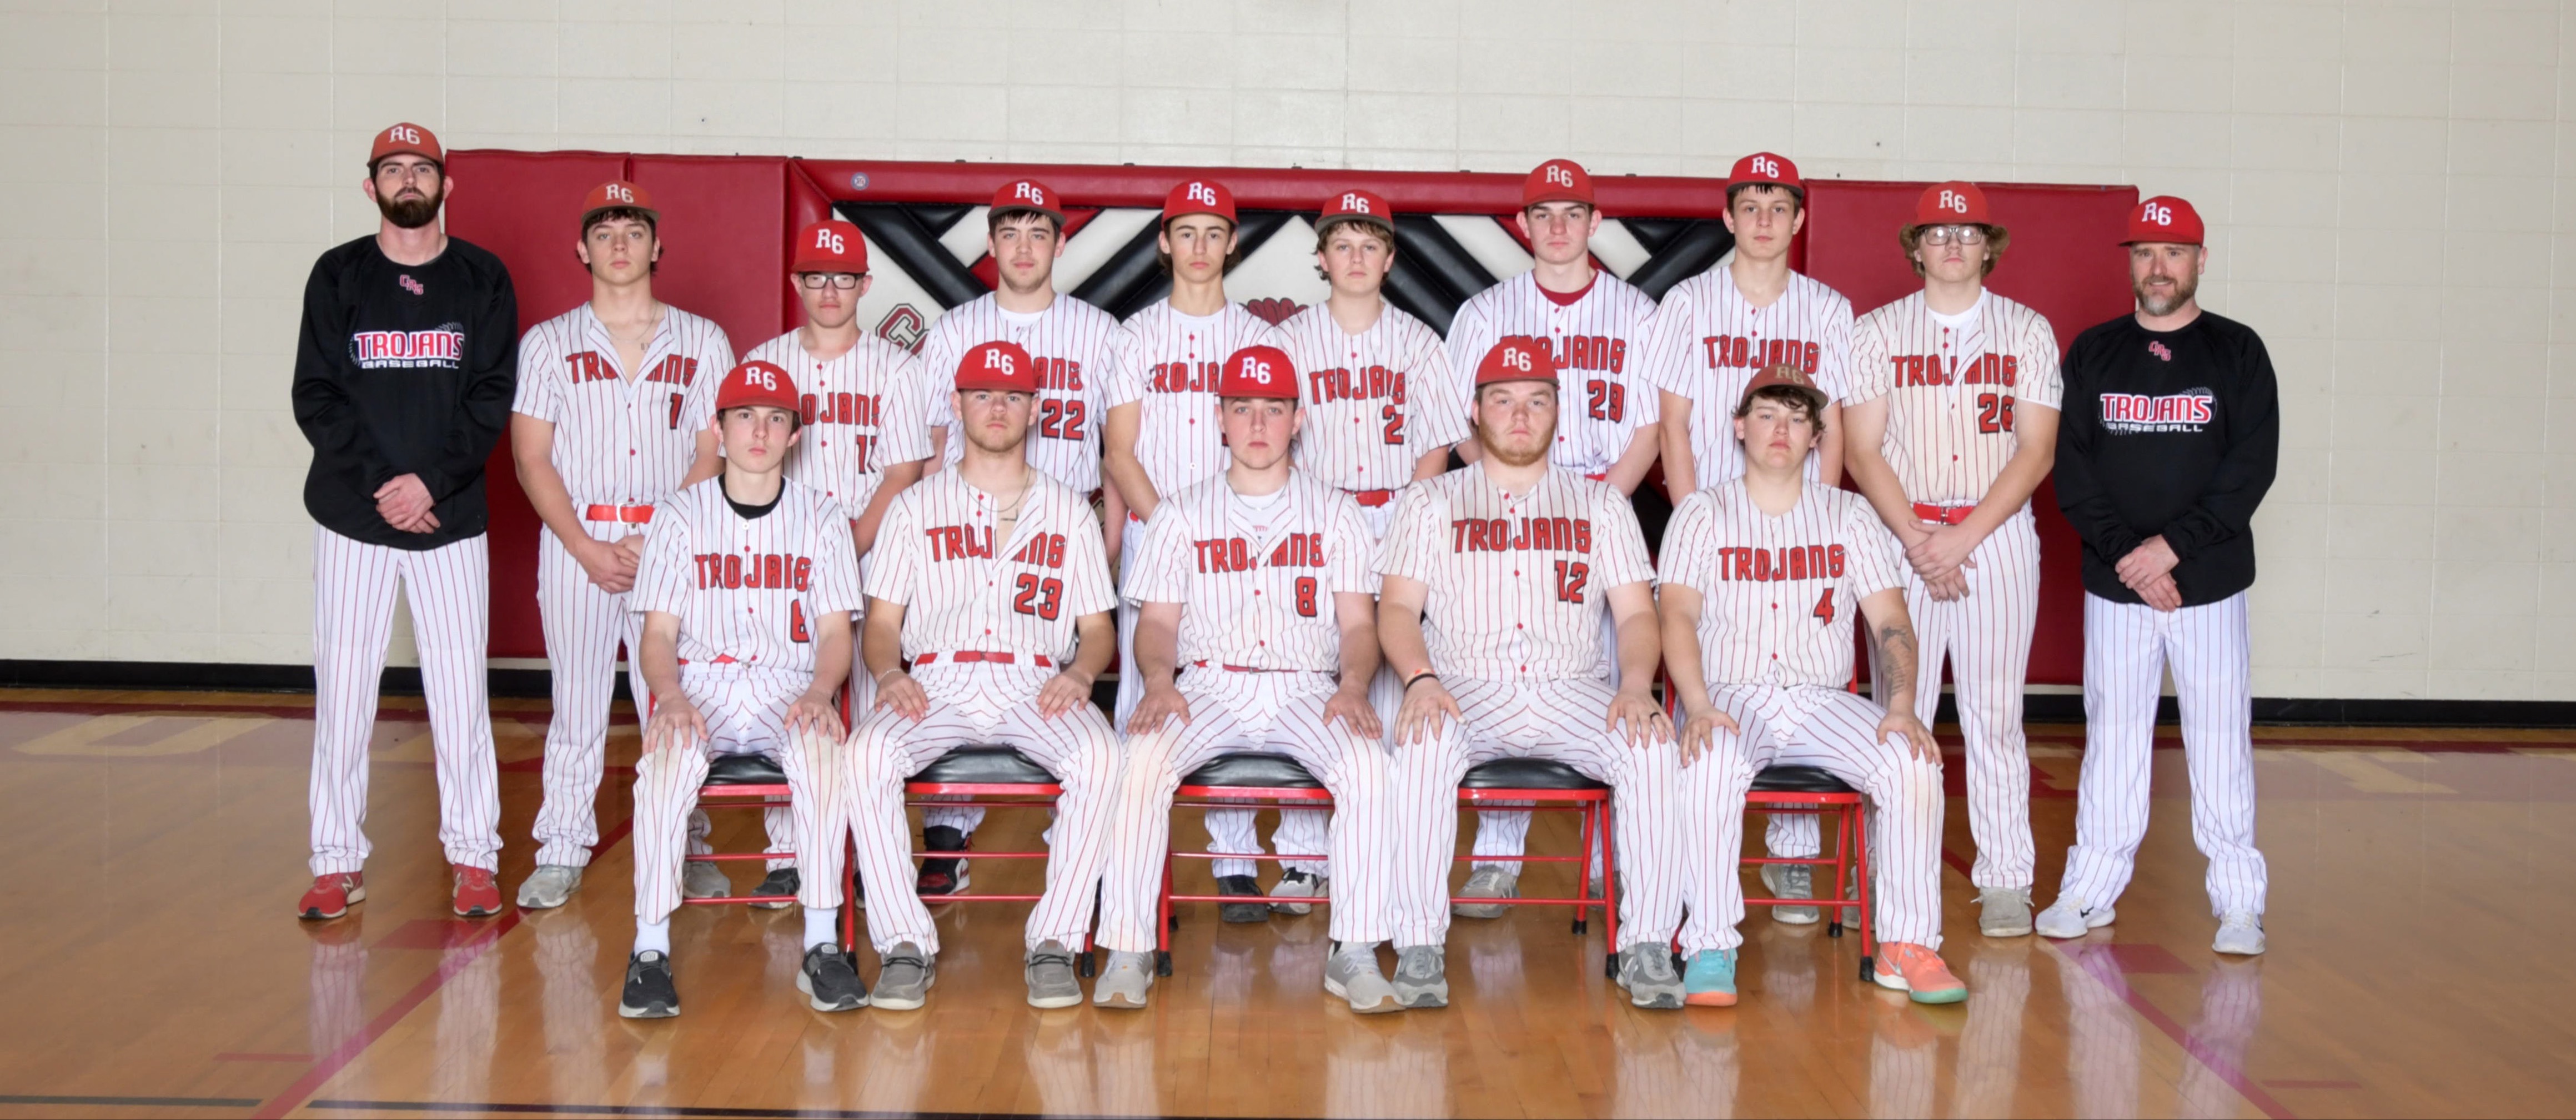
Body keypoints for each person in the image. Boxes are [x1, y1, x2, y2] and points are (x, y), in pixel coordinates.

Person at [1378, 338, 1688, 1010]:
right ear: (1474, 412)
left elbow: (1637, 614)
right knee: (1424, 744)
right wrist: (1420, 678)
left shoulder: (1602, 504)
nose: (1520, 416)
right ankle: (1419, 944)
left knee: (1652, 745)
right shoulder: (1431, 502)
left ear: (1558, 413)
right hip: (1464, 683)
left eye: (1536, 401)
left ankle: (1647, 944)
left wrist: (1636, 683)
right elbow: (1398, 609)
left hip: (1570, 687)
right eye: (1503, 400)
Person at [1092, 344, 1402, 1011]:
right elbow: (1157, 627)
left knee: (1370, 767)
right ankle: (1127, 946)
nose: (1258, 423)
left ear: (1299, 419)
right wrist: (1156, 678)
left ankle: (1353, 950)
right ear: (1220, 419)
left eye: (1274, 408)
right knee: (1139, 758)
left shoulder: (1337, 513)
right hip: (1208, 684)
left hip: (1304, 686)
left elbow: (1357, 626)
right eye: (1243, 409)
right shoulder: (1178, 514)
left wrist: (1352, 685)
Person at [1658, 363, 1962, 1007]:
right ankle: (1711, 940)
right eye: (1767, 414)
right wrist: (1699, 706)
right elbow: (1675, 616)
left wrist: (1902, 706)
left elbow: (1890, 623)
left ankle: (1907, 944)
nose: (1781, 429)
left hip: (1821, 699)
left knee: (1911, 759)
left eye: (1798, 419)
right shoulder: (1700, 513)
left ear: (1817, 437)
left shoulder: (1851, 516)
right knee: (1708, 761)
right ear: (1739, 427)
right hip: (1731, 694)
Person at [845, 340, 1123, 1010]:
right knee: (864, 755)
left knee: (1102, 756)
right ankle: (905, 943)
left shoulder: (1067, 510)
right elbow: (881, 624)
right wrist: (887, 673)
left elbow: (1098, 630)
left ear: (1035, 410)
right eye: (982, 395)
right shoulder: (914, 507)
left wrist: (1084, 673)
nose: (997, 407)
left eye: (1012, 396)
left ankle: (1053, 939)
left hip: (1035, 681)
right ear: (958, 404)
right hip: (935, 679)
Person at [2040, 196, 2276, 956]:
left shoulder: (2237, 351)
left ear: (2199, 261)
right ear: (2129, 262)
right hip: (2117, 585)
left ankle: (2237, 902)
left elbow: (2249, 470)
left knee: (2216, 738)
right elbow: (2069, 468)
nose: (2158, 266)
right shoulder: (2093, 351)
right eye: (2143, 252)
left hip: (2205, 583)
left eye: (2173, 252)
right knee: (2112, 736)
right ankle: (2089, 886)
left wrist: (2168, 549)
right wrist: (2129, 558)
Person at [292, 122, 518, 921]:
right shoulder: (338, 274)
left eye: (421, 167)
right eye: (393, 169)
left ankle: (473, 859)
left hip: (449, 518)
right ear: (371, 187)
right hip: (353, 516)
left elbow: (491, 396)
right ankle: (334, 861)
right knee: (344, 694)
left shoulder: (482, 277)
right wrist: (386, 483)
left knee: (460, 696)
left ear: (446, 184)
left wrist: (429, 481)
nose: (408, 179)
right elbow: (315, 395)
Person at [1427, 158, 1663, 916]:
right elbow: (1458, 426)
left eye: (1572, 214)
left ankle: (1616, 857)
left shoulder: (1636, 313)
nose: (1557, 227)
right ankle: (1497, 860)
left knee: (1604, 683)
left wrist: (1596, 509)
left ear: (1597, 224)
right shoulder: (1485, 312)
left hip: (1604, 502)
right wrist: (1507, 498)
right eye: (1542, 214)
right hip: (1499, 513)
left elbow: (1650, 425)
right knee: (1507, 670)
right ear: (1521, 226)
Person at [510, 179, 741, 911]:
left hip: (669, 540)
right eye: (604, 231)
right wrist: (582, 545)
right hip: (578, 538)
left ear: (656, 246)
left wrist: (663, 535)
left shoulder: (702, 340)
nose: (619, 243)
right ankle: (560, 845)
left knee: (672, 701)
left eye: (633, 230)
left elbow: (714, 449)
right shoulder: (548, 343)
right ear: (582, 247)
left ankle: (686, 840)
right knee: (575, 703)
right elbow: (531, 457)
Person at [1643, 152, 1860, 923]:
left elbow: (1829, 426)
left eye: (1778, 206)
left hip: (1803, 527)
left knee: (1806, 678)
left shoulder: (1829, 311)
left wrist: (1818, 520)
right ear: (1727, 217)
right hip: (1710, 520)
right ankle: (1680, 855)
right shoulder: (1685, 302)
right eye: (1750, 205)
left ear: (1798, 219)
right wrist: (1690, 514)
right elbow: (1673, 423)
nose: (1764, 219)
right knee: (1697, 681)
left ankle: (1792, 860)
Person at [1842, 181, 2064, 938]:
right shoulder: (1875, 330)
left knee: (1993, 715)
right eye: (1935, 233)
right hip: (1901, 532)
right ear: (1913, 246)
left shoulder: (2026, 330)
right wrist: (1916, 541)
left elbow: (2036, 450)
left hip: (1991, 537)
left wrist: (1959, 539)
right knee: (1896, 713)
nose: (1950, 245)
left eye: (1966, 233)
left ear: (1987, 244)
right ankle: (1883, 864)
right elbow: (1862, 449)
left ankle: (2005, 877)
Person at [615, 359, 868, 1019]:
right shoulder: (677, 515)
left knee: (822, 759)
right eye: (744, 416)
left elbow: (837, 633)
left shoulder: (822, 517)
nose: (759, 429)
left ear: (793, 435)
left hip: (789, 680)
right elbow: (657, 635)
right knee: (663, 771)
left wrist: (819, 690)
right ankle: (649, 952)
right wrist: (669, 697)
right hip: (700, 682)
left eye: (775, 417)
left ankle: (820, 944)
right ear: (719, 429)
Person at [1099, 182, 1315, 920]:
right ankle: (1125, 874)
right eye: (1183, 232)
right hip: (1160, 538)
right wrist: (1175, 532)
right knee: (1148, 706)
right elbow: (1120, 453)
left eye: (1211, 233)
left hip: (1249, 551)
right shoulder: (1132, 337)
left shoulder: (1264, 340)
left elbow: (1287, 450)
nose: (1197, 246)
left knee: (1246, 685)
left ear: (1232, 244)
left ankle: (1234, 864)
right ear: (1164, 243)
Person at [913, 180, 1131, 896]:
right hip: (964, 531)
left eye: (1039, 233)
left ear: (1060, 245)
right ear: (991, 244)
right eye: (1011, 233)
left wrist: (1107, 541)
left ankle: (1079, 854)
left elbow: (1117, 449)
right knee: (954, 671)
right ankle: (946, 837)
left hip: (1062, 531)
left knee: (1062, 692)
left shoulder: (1100, 333)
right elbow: (935, 446)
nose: (1025, 247)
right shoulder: (952, 331)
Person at [1266, 188, 1455, 916]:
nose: (1354, 257)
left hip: (1396, 513)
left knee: (1396, 693)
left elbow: (1435, 446)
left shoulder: (1417, 342)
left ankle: (1395, 859)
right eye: (1341, 244)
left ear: (1389, 258)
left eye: (1368, 244)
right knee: (1324, 685)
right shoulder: (1288, 342)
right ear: (1320, 257)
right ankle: (1305, 858)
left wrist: (1408, 526)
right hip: (1317, 524)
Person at [740, 219, 935, 903]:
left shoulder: (898, 368)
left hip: (871, 550)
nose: (829, 290)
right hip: (782, 558)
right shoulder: (764, 362)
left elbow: (904, 470)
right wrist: (811, 556)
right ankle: (789, 852)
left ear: (864, 285)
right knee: (794, 698)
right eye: (816, 277)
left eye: (842, 277)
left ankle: (865, 850)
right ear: (796, 283)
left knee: (871, 706)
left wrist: (845, 547)